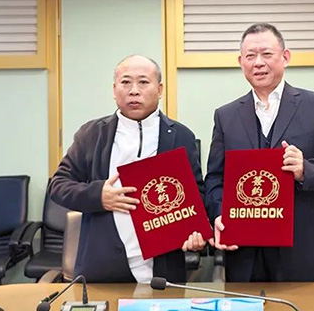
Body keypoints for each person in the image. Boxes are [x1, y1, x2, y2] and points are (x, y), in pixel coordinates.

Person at [205, 23, 314, 282]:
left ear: (285, 57)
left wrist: (306, 169)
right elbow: (215, 178)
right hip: (245, 252)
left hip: (303, 247)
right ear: (241, 62)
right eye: (250, 56)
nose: (258, 63)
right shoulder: (226, 115)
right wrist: (220, 214)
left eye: (266, 54)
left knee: (307, 310)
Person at [50, 55, 208, 283]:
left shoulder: (181, 136)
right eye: (125, 82)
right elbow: (58, 185)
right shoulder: (92, 134)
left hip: (162, 271)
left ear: (160, 89)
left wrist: (195, 231)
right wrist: (98, 196)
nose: (134, 91)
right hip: (103, 267)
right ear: (114, 90)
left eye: (143, 82)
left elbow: (196, 195)